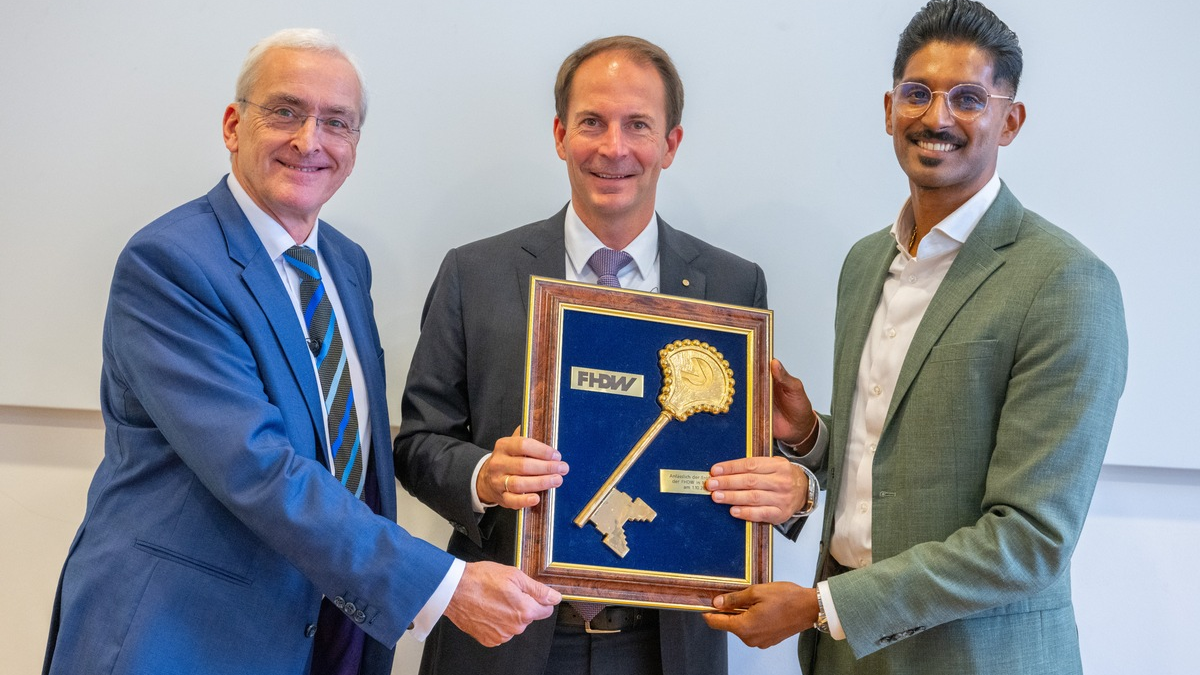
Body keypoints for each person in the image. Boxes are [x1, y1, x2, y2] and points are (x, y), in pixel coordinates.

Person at [43, 28, 559, 675]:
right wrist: (442, 585)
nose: (309, 140)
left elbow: (356, 461)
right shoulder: (171, 264)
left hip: (323, 631)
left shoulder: (345, 264)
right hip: (180, 634)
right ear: (234, 125)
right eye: (285, 111)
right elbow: (258, 468)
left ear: (354, 145)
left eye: (336, 122)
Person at [703, 2, 1128, 674]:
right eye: (918, 94)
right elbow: (900, 461)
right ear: (888, 108)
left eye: (968, 98)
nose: (936, 117)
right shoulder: (865, 263)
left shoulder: (1066, 283)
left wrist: (819, 605)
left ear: (1009, 120)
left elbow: (1031, 539)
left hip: (974, 657)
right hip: (843, 656)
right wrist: (811, 435)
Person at [394, 35, 786, 675]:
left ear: (671, 144)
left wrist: (789, 485)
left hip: (664, 646)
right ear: (559, 135)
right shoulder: (476, 272)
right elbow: (415, 444)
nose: (614, 148)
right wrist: (484, 476)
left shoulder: (733, 286)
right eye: (592, 123)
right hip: (503, 634)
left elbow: (746, 461)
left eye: (638, 125)